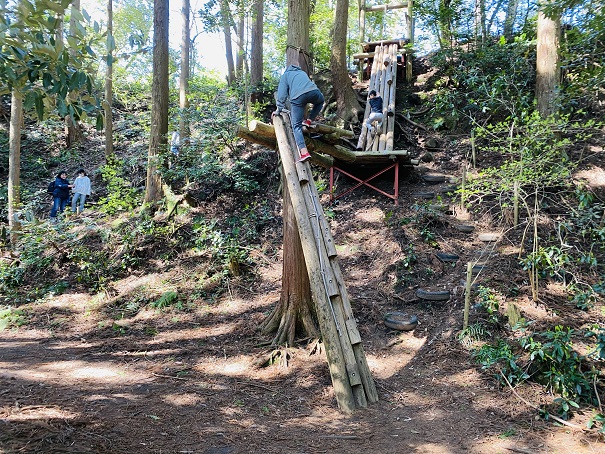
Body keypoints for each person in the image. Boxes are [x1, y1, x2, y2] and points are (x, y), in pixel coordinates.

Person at [274, 63, 325, 163]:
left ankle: (304, 152)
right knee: (320, 101)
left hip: (298, 98)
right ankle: (309, 120)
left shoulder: (286, 75)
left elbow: (282, 94)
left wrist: (278, 110)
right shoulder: (302, 72)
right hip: (313, 91)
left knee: (296, 126)